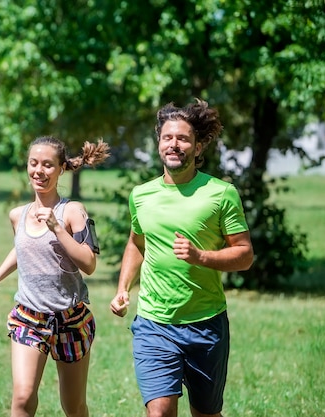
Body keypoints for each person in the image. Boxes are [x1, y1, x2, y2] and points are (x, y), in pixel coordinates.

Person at [109, 99, 254, 417]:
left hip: (205, 323)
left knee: (206, 413)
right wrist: (123, 289)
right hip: (153, 323)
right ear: (159, 143)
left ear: (198, 147)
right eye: (167, 137)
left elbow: (244, 255)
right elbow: (137, 243)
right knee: (159, 412)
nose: (174, 144)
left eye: (183, 138)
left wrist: (201, 256)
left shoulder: (220, 193)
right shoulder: (141, 195)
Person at [0, 136, 110, 417]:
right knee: (23, 398)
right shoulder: (18, 215)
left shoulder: (73, 211)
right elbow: (22, 249)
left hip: (70, 321)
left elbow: (89, 264)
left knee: (73, 407)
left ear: (61, 169)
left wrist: (57, 228)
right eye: (33, 163)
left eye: (48, 165)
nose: (39, 171)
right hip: (29, 318)